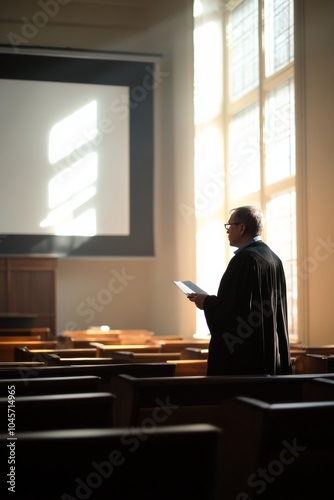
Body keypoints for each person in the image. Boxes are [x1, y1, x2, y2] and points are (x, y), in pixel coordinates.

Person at [187, 205, 292, 376]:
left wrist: (205, 302)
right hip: (268, 349)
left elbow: (231, 310)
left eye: (229, 226)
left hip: (246, 355)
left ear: (241, 228)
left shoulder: (245, 260)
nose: (227, 231)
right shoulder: (274, 259)